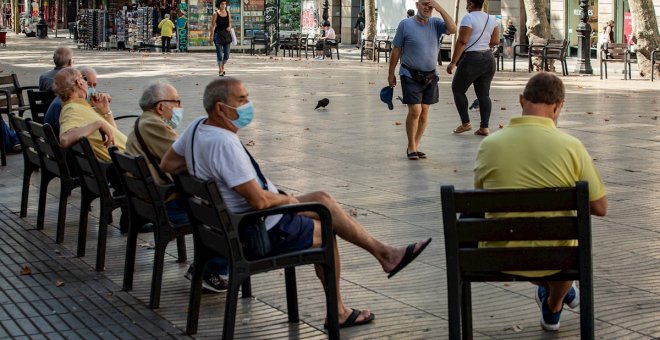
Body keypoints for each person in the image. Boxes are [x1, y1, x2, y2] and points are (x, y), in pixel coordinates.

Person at [161, 77, 432, 328]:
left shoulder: (198, 128)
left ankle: (386, 253)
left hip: (225, 227)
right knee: (326, 227)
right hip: (255, 231)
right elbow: (259, 201)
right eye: (242, 100)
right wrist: (287, 199)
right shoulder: (223, 144)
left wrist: (208, 170)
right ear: (221, 108)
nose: (248, 105)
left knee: (322, 199)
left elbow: (168, 163)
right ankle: (340, 309)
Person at [473, 72, 608, 332]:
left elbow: (479, 201)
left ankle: (557, 300)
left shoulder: (489, 145)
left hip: (502, 255)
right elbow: (600, 207)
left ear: (521, 99)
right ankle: (557, 300)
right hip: (557, 258)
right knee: (569, 245)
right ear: (559, 106)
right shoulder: (572, 147)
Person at [125, 80, 230, 292]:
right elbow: (185, 155)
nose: (179, 107)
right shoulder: (152, 125)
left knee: (214, 204)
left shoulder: (145, 122)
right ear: (160, 106)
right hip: (165, 206)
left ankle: (203, 266)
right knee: (224, 213)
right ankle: (210, 271)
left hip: (151, 200)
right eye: (176, 102)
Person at [388, 0, 457, 160]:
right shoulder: (405, 24)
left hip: (430, 75)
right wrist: (391, 73)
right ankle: (411, 147)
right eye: (424, 4)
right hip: (409, 73)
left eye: (430, 6)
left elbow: (453, 29)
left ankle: (414, 145)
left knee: (425, 112)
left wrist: (440, 9)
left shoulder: (436, 23)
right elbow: (396, 49)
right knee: (415, 111)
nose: (427, 8)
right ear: (417, 4)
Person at [447, 0, 499, 137]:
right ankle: (484, 127)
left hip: (472, 59)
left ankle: (466, 123)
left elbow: (462, 41)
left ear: (470, 4)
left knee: (457, 89)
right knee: (484, 94)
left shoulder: (468, 18)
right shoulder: (491, 18)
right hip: (488, 59)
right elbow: (495, 41)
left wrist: (453, 62)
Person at [54, 67, 125, 162]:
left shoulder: (79, 106)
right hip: (130, 165)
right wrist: (98, 124)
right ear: (79, 82)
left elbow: (114, 134)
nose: (87, 84)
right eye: (84, 79)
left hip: (127, 159)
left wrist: (105, 111)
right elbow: (65, 139)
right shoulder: (72, 109)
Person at [44, 66, 98, 137]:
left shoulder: (64, 100)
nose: (91, 89)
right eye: (88, 83)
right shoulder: (66, 107)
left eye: (94, 85)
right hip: (66, 146)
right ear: (79, 82)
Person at [208, 0, 232, 76]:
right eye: (222, 4)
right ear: (219, 5)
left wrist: (230, 27)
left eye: (225, 4)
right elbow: (212, 25)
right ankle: (220, 70)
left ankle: (222, 66)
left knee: (227, 55)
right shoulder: (216, 14)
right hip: (218, 35)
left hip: (226, 36)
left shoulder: (228, 13)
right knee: (219, 54)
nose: (224, 5)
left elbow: (230, 22)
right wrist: (210, 36)